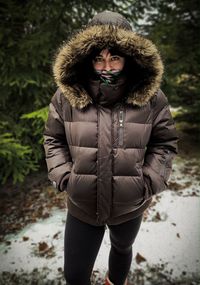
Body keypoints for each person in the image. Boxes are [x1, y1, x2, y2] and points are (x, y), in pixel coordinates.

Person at [43, 10, 178, 285]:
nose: (106, 66)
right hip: (82, 204)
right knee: (75, 275)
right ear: (86, 58)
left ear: (128, 58)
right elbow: (53, 138)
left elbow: (164, 142)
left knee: (121, 249)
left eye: (114, 57)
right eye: (98, 58)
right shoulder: (66, 95)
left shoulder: (151, 97)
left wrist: (149, 181)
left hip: (130, 204)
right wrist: (65, 177)